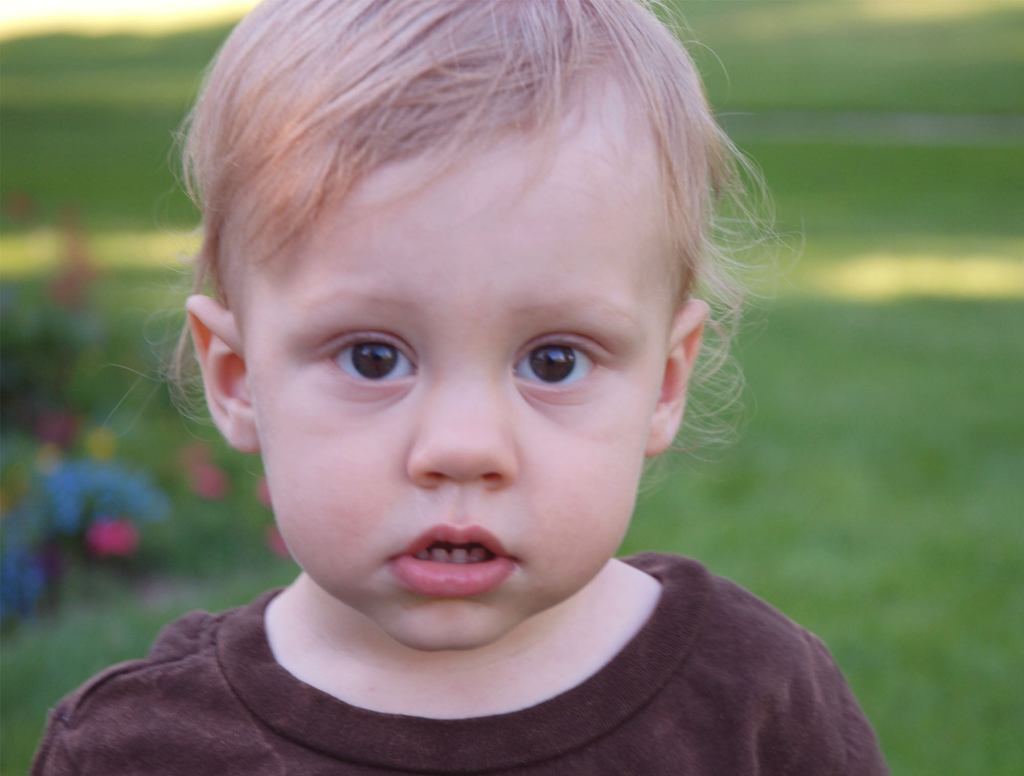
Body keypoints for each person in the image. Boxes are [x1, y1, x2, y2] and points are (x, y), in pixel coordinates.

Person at [32, 1, 888, 773]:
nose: (463, 446)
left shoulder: (755, 704)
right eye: (373, 357)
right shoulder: (139, 750)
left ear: (664, 381)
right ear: (238, 378)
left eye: (553, 361)